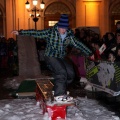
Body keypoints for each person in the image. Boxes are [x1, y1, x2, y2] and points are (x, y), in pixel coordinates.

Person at [12, 14, 92, 102]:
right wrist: (20, 32)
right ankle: (59, 95)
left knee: (71, 73)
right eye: (61, 28)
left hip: (61, 57)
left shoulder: (70, 36)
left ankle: (58, 89)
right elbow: (36, 33)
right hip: (50, 55)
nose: (63, 30)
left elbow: (79, 44)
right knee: (61, 71)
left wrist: (90, 53)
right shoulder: (50, 32)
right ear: (58, 26)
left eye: (65, 28)